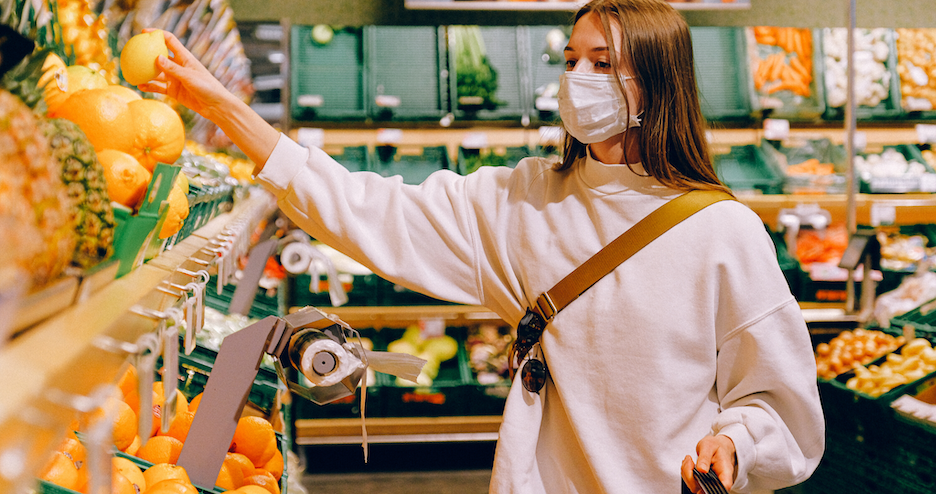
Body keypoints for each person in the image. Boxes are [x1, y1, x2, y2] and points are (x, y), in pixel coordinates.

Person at [140, 0, 825, 491]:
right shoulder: (526, 200)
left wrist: (736, 444)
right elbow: (366, 207)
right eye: (572, 58)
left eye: (603, 62)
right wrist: (224, 110)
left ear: (656, 83)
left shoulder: (719, 232)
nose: (578, 78)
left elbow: (780, 403)